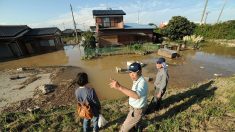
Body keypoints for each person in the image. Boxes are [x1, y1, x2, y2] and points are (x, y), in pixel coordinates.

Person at [109, 62, 148, 132]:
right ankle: (136, 128)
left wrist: (119, 87)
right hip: (134, 108)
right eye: (130, 72)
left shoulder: (142, 83)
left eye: (134, 72)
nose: (131, 75)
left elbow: (137, 95)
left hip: (137, 110)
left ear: (140, 71)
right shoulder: (136, 79)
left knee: (124, 129)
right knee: (135, 124)